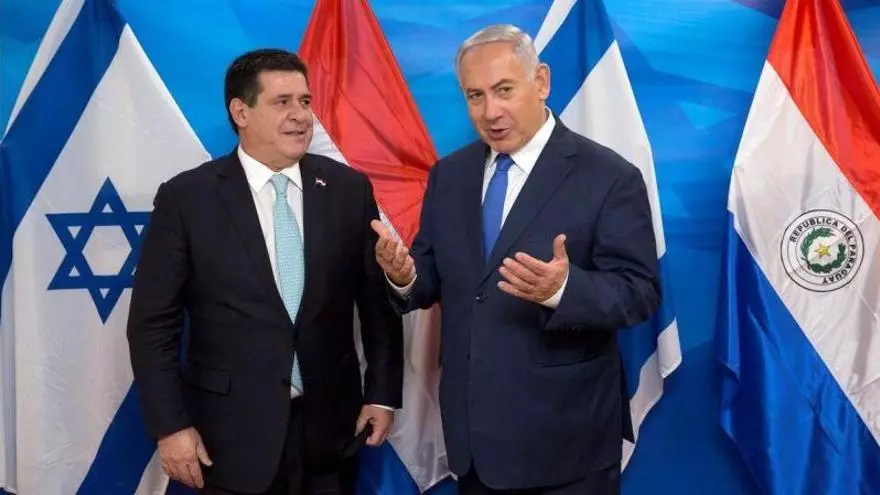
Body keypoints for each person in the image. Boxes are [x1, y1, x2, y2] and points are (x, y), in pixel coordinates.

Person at [371, 25, 660, 495]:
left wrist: (564, 290)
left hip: (566, 444)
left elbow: (639, 291)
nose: (490, 112)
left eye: (504, 90)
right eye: (475, 96)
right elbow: (431, 273)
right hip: (473, 442)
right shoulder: (450, 175)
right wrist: (403, 277)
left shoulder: (609, 176)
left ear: (541, 82)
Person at [127, 48, 403, 495]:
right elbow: (152, 325)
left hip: (331, 433)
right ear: (241, 112)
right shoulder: (187, 199)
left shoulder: (348, 189)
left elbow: (377, 307)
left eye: (305, 101)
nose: (300, 115)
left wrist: (382, 393)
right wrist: (170, 426)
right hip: (227, 440)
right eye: (282, 102)